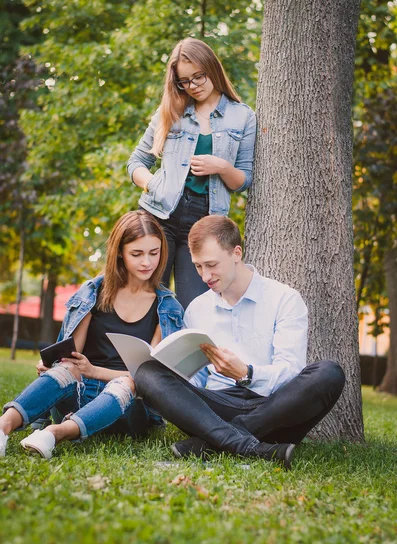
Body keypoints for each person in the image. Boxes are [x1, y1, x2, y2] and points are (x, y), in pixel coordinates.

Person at [134, 215, 346, 470]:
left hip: (273, 407)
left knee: (329, 373)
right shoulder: (197, 309)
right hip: (216, 409)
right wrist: (175, 372)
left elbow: (291, 370)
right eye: (198, 266)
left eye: (212, 265)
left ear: (236, 253)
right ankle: (250, 447)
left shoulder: (284, 299)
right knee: (148, 372)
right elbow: (197, 382)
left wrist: (246, 374)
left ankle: (212, 443)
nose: (205, 276)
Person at [0, 211, 183, 459]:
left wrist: (94, 371)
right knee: (66, 370)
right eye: (137, 254)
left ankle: (55, 434)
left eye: (154, 252)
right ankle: (3, 427)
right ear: (120, 252)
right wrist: (52, 365)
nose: (147, 263)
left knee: (129, 381)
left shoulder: (166, 306)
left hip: (126, 405)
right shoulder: (93, 292)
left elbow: (149, 377)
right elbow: (71, 356)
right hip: (79, 394)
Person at [127, 37, 256, 309]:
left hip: (204, 222)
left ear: (212, 69)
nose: (192, 86)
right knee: (146, 298)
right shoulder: (171, 111)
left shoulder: (242, 116)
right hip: (159, 215)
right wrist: (152, 184)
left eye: (198, 77)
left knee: (195, 306)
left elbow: (243, 181)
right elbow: (136, 162)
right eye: (184, 81)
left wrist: (220, 167)